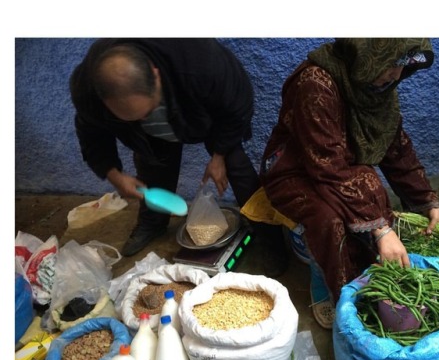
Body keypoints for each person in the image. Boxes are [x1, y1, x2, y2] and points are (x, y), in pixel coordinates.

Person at [260, 38, 439, 328]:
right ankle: (331, 287)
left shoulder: (377, 87)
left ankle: (369, 284)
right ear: (369, 53)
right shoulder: (315, 83)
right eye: (392, 64)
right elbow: (326, 165)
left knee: (370, 190)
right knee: (331, 221)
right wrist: (381, 229)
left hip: (339, 169)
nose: (396, 75)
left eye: (402, 66)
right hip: (294, 171)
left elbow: (395, 148)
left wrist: (428, 200)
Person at [70, 38, 288, 276]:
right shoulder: (87, 89)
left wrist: (219, 155)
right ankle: (151, 224)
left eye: (149, 111)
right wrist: (115, 175)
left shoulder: (199, 61)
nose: (144, 119)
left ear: (155, 74)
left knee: (237, 166)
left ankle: (270, 239)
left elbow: (237, 107)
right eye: (130, 117)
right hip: (149, 136)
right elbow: (92, 136)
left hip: (202, 115)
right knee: (152, 169)